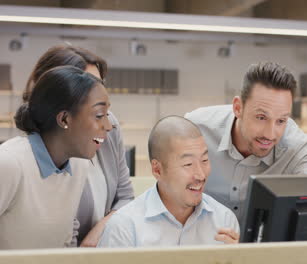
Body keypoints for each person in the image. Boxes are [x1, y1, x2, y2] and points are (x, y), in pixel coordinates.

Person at [185, 62, 307, 222]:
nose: (270, 134)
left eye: (281, 120)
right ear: (238, 108)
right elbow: (168, 195)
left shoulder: (296, 146)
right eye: (261, 117)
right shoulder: (195, 129)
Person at [25, 45, 134, 247]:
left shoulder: (109, 127)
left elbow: (126, 198)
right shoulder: (34, 155)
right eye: (87, 87)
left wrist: (97, 235)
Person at [0, 66, 112, 249]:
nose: (108, 126)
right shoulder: (9, 164)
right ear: (64, 119)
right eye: (99, 116)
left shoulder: (78, 165)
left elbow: (63, 243)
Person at [98, 116, 239, 247]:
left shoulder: (224, 220)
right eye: (188, 164)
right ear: (157, 170)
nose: (201, 175)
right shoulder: (124, 227)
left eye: (204, 160)